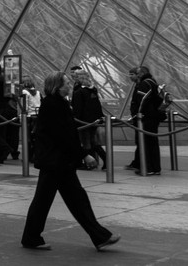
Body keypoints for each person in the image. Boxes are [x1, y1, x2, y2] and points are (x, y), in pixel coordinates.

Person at [21, 71, 121, 252]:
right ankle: (31, 237)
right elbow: (63, 135)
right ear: (57, 86)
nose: (69, 85)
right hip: (56, 162)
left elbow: (66, 134)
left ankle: (99, 236)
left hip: (58, 161)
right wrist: (84, 154)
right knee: (55, 201)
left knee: (72, 200)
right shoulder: (53, 105)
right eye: (66, 83)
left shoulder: (57, 103)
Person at [127, 66, 162, 176]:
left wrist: (137, 113)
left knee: (145, 143)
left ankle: (147, 168)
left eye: (136, 74)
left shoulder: (144, 84)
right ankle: (155, 168)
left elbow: (142, 100)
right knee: (152, 143)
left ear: (141, 74)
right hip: (153, 116)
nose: (135, 76)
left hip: (145, 118)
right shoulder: (153, 82)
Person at [70, 71, 106, 169]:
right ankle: (105, 160)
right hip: (93, 120)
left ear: (79, 78)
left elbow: (77, 108)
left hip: (83, 121)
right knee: (93, 142)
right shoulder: (93, 90)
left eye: (75, 76)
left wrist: (75, 119)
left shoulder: (79, 91)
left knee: (86, 142)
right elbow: (97, 106)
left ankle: (89, 164)